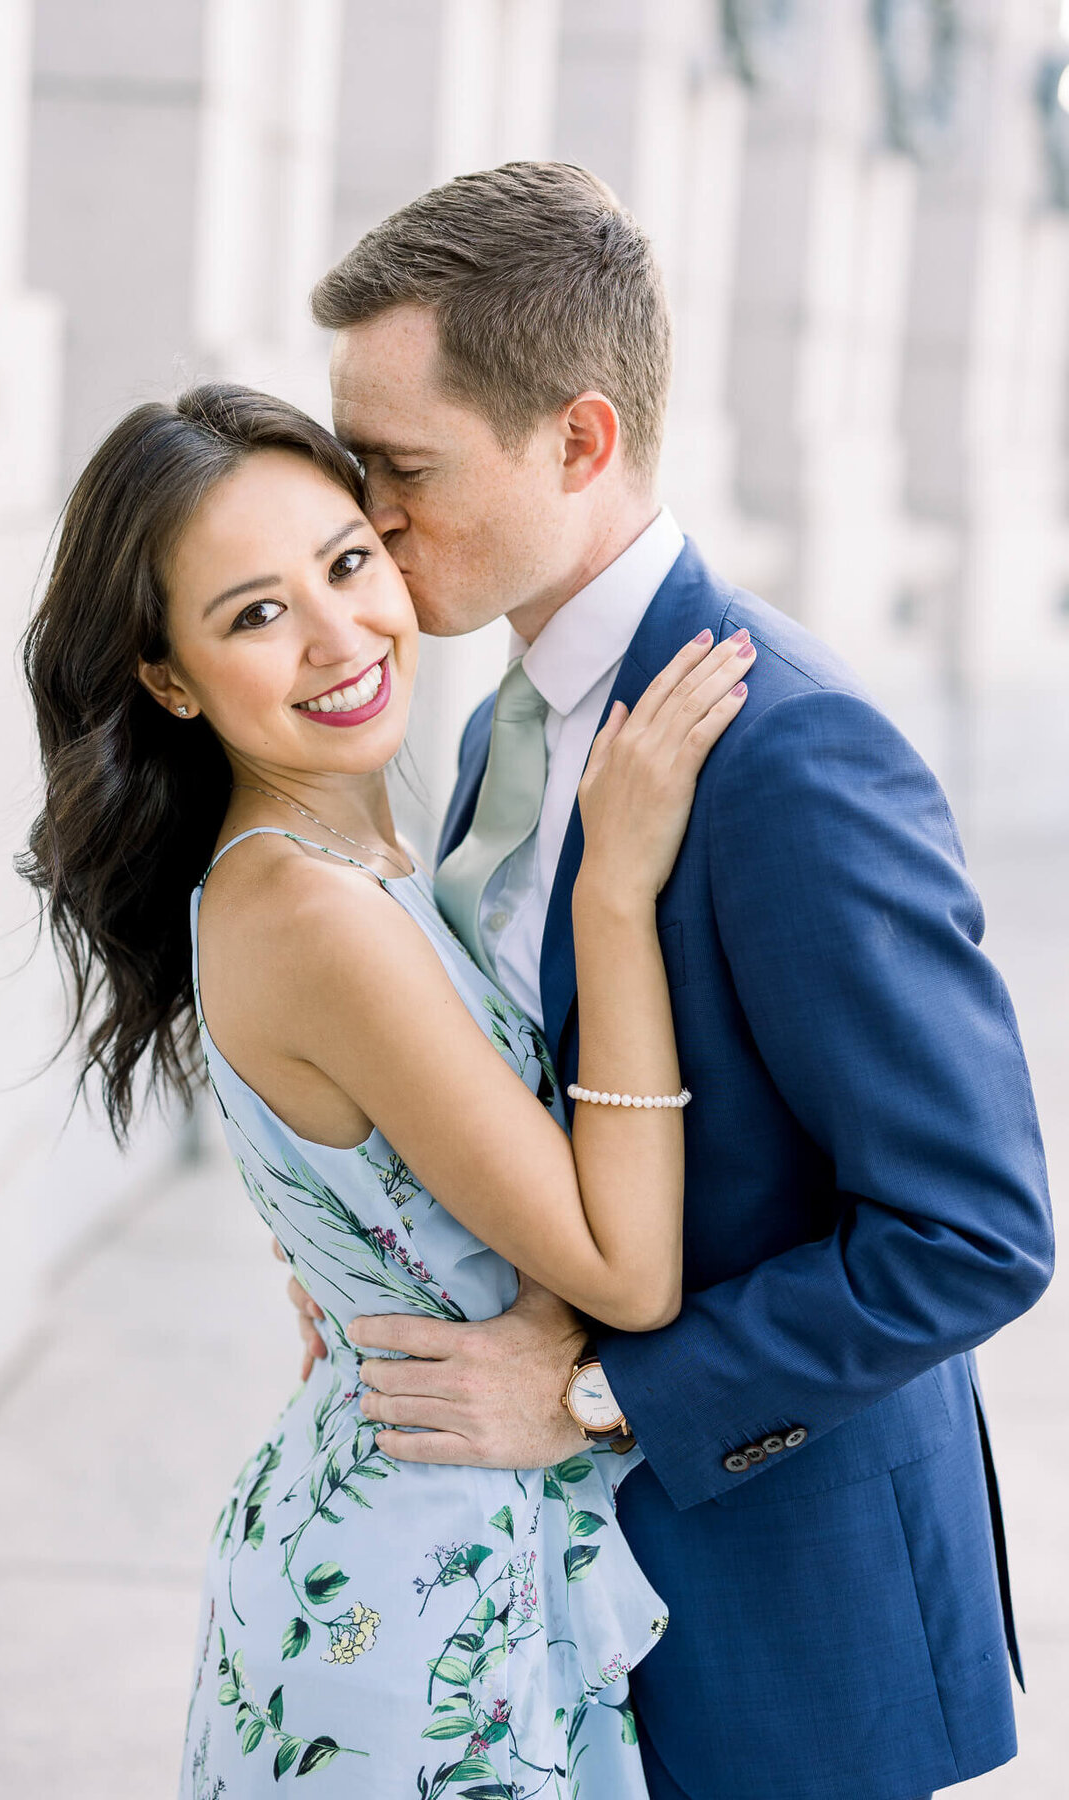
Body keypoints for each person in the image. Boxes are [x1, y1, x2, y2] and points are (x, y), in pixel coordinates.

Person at [277, 161, 1055, 1800]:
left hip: (783, 1634)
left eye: (401, 467)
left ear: (579, 440)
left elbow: (974, 1232)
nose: (366, 513)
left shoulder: (793, 753)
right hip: (547, 1621)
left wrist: (595, 1393)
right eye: (353, 460)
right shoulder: (497, 729)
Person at [16, 381, 758, 1798]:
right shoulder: (311, 912)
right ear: (169, 679)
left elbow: (400, 1188)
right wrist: (616, 894)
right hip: (410, 1614)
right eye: (253, 614)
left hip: (433, 1551)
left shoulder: (365, 858)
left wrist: (386, 1269)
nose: (340, 633)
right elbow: (627, 1266)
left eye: (348, 563)